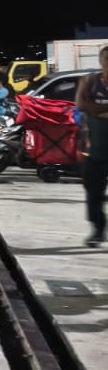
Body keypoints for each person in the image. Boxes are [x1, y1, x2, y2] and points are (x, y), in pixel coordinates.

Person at [77, 46, 108, 247]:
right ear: (100, 60)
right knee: (93, 190)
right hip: (95, 147)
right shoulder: (90, 81)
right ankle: (98, 229)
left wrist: (99, 112)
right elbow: (82, 105)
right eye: (106, 59)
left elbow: (92, 108)